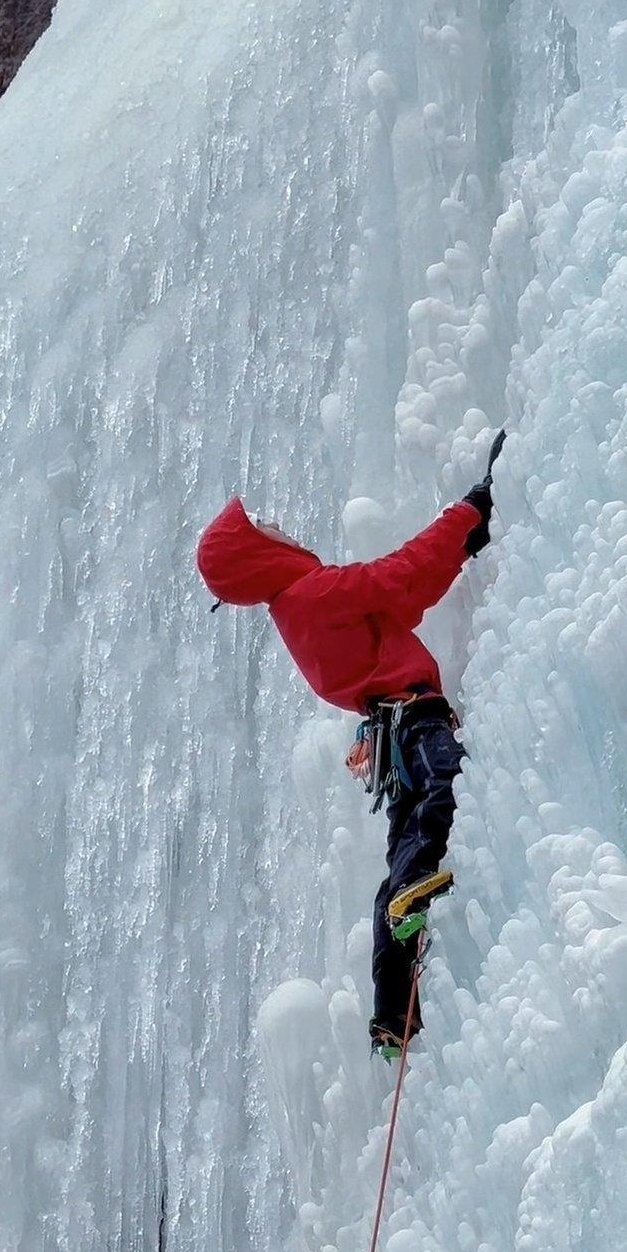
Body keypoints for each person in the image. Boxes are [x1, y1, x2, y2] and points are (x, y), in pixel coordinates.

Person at [196, 436, 503, 1058]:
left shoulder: (293, 616)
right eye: (262, 527)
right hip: (413, 721)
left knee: (402, 846)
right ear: (257, 556)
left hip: (386, 737)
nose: (276, 524)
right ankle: (416, 888)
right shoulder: (313, 595)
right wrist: (472, 512)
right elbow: (402, 579)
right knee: (447, 789)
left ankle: (393, 1015)